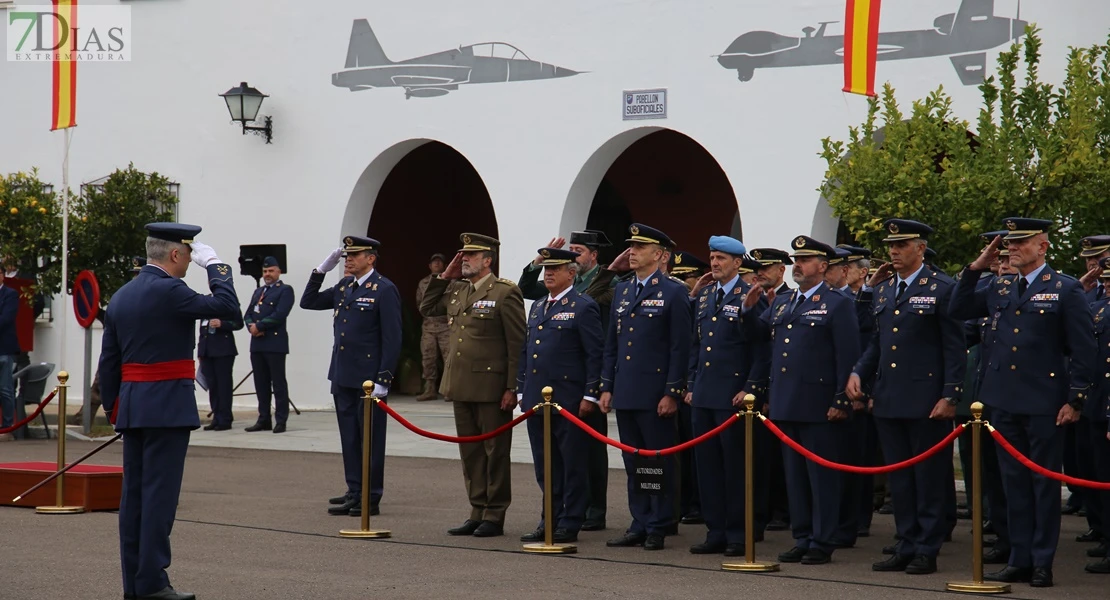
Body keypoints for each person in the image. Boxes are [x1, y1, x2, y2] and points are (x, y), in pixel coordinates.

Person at [949, 217, 1096, 588]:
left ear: (1042, 247)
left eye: (1020, 243)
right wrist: (974, 268)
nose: (1011, 248)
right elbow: (958, 308)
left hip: (1044, 401)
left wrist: (1075, 399)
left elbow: (1083, 349)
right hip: (1002, 399)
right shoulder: (999, 286)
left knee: (1042, 484)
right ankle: (1020, 557)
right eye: (1009, 244)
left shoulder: (1063, 289)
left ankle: (1042, 561)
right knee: (1012, 484)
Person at [99, 222, 239, 600]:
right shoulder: (171, 291)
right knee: (159, 500)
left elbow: (108, 364)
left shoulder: (123, 295)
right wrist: (218, 268)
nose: (192, 259)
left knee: (135, 502)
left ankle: (135, 584)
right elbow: (228, 307)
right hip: (167, 408)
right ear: (176, 254)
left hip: (133, 406)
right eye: (190, 253)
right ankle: (153, 583)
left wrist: (116, 411)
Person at [848, 219, 965, 575]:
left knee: (927, 477)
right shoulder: (883, 290)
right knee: (900, 478)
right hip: (889, 397)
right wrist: (858, 372)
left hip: (926, 399)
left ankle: (926, 548)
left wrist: (950, 394)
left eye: (902, 245)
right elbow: (877, 344)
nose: (894, 252)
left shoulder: (943, 288)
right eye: (891, 245)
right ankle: (906, 541)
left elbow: (954, 347)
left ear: (921, 248)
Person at [741, 235, 860, 565]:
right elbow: (759, 339)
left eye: (805, 260)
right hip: (785, 401)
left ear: (822, 267)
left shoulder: (838, 303)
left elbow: (847, 356)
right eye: (796, 259)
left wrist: (841, 400)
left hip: (818, 403)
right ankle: (803, 535)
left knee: (821, 478)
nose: (798, 265)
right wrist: (749, 309)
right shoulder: (783, 302)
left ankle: (823, 540)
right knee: (795, 477)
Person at [419, 233, 526, 538]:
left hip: (492, 387)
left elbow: (516, 343)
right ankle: (476, 509)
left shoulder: (505, 292)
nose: (464, 258)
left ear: (487, 260)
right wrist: (444, 276)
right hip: (460, 384)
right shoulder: (456, 291)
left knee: (495, 452)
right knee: (471, 453)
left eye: (471, 255)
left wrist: (512, 387)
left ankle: (494, 513)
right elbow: (428, 308)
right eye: (463, 254)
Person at [599, 223, 693, 551]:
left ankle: (660, 522)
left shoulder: (674, 290)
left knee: (658, 460)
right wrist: (607, 386)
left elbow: (681, 347)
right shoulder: (623, 290)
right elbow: (613, 342)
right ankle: (639, 520)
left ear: (659, 254)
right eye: (632, 247)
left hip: (656, 394)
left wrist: (672, 392)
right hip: (626, 390)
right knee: (634, 460)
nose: (632, 252)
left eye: (640, 248)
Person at [301, 236, 402, 517]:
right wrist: (321, 270)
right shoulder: (345, 286)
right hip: (343, 374)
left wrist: (384, 378)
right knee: (349, 438)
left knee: (369, 439)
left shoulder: (383, 289)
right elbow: (308, 302)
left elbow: (392, 337)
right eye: (346, 255)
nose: (349, 259)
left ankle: (371, 496)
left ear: (371, 258)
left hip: (369, 380)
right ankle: (354, 490)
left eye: (355, 255)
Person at [686, 235, 768, 555]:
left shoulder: (749, 295)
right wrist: (691, 385)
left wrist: (751, 387)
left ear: (737, 263)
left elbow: (762, 347)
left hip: (734, 394)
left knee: (735, 468)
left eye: (721, 258)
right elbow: (696, 345)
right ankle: (715, 529)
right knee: (707, 468)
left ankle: (737, 532)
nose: (715, 263)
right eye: (713, 257)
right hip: (705, 393)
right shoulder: (705, 296)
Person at [516, 246, 603, 543]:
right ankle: (549, 517)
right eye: (546, 269)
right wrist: (521, 387)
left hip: (568, 399)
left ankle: (571, 520)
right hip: (537, 399)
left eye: (555, 269)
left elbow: (594, 354)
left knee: (572, 463)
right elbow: (528, 351)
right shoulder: (539, 305)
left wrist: (591, 394)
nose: (548, 273)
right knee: (545, 464)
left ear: (571, 273)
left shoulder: (583, 305)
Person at [243, 256, 295, 433]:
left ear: (279, 272)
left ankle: (281, 419)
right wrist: (251, 326)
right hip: (257, 343)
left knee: (278, 383)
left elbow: (280, 314)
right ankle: (263, 418)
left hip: (274, 343)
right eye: (265, 271)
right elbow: (248, 313)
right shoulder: (259, 292)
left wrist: (260, 325)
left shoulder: (285, 290)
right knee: (261, 383)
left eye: (271, 271)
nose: (267, 274)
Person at [197, 308, 242, 431]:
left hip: (223, 350)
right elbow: (202, 329)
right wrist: (201, 351)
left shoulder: (228, 303)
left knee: (224, 386)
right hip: (208, 351)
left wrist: (222, 324)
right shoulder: (206, 303)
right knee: (213, 386)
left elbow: (238, 323)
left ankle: (225, 418)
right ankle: (216, 417)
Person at [415, 253, 450, 401]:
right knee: (428, 357)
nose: (436, 264)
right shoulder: (423, 283)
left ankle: (449, 390)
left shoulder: (450, 282)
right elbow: (419, 303)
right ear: (429, 266)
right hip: (429, 325)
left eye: (439, 262)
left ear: (444, 265)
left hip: (445, 325)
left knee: (449, 358)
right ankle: (430, 389)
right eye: (434, 262)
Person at [0, 267, 18, 442]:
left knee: (5, 389)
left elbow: (6, 319)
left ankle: (7, 427)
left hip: (4, 349)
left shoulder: (10, 294)